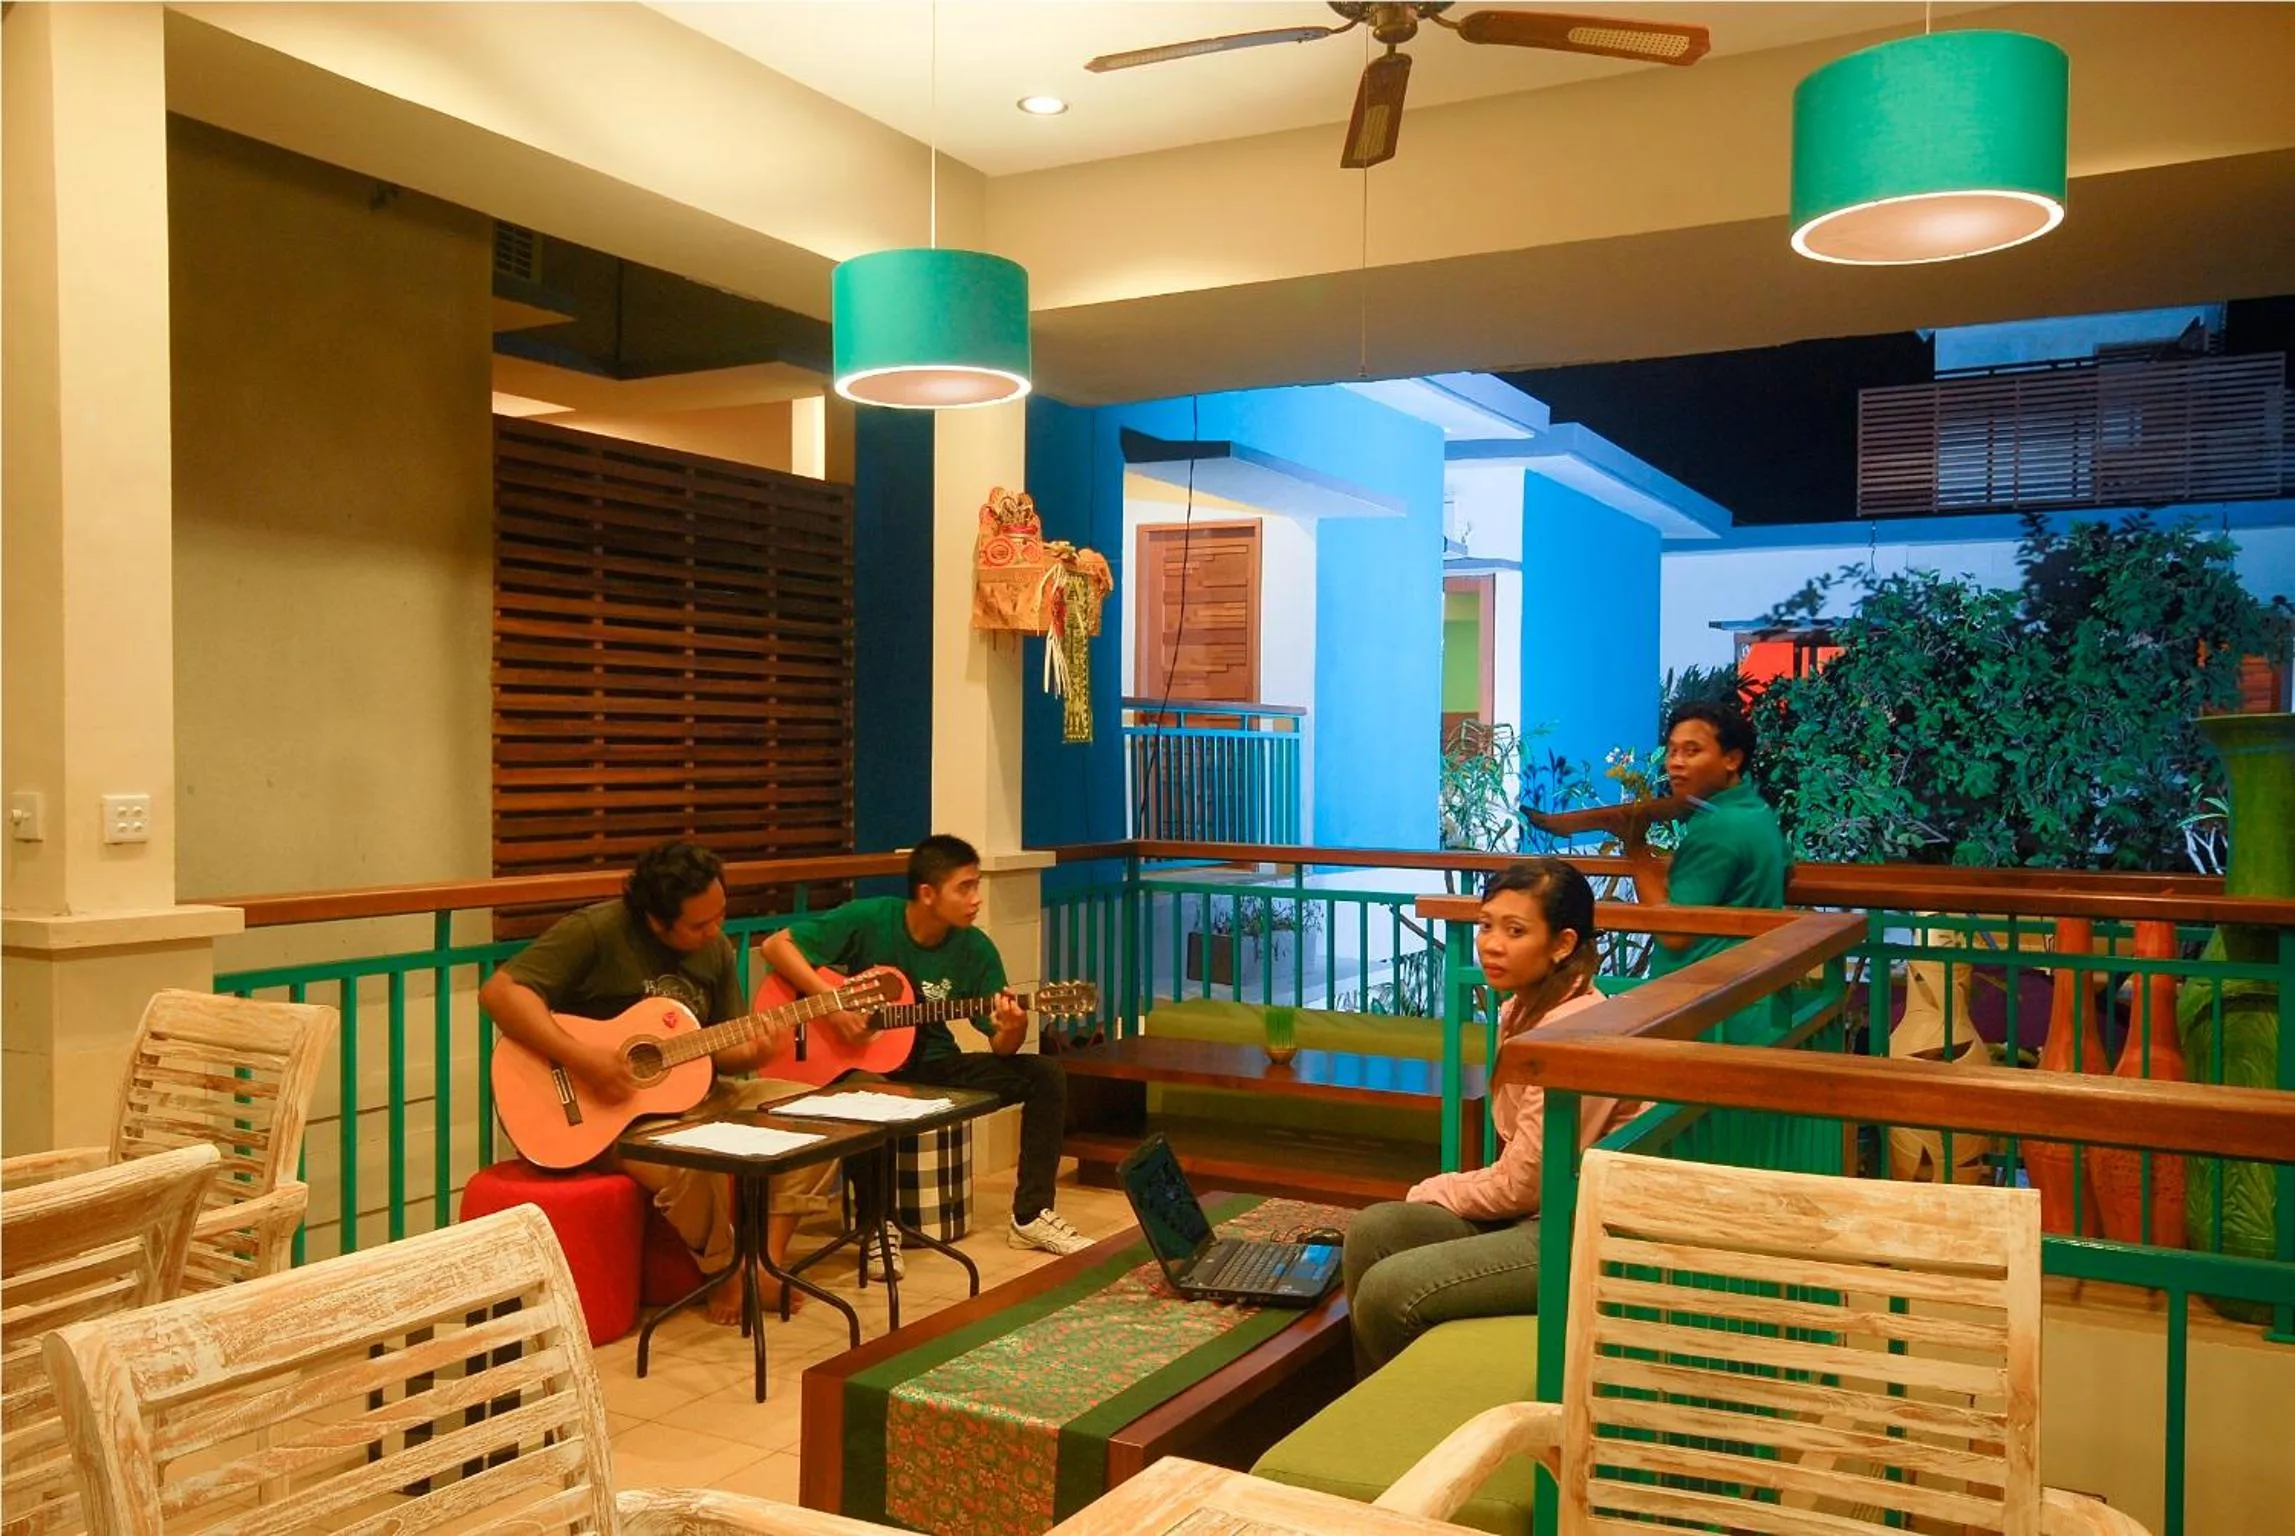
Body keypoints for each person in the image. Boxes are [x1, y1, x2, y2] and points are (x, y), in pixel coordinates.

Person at [477, 840, 833, 1325]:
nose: (715, 931)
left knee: (823, 1114)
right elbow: (501, 993)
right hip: (606, 1116)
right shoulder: (596, 931)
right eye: (698, 925)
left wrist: (755, 1051)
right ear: (654, 919)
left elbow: (720, 1051)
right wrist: (584, 1060)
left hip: (698, 1098)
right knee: (692, 1157)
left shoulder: (715, 949)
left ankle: (764, 1262)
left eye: (721, 915)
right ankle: (723, 1269)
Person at [1341, 859, 1638, 1374]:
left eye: (1515, 931)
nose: (1491, 944)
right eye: (1486, 925)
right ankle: (1369, 1401)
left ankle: (1423, 1413)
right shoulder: (1521, 1012)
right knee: (1374, 1230)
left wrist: (1435, 1188)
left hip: (1579, 1229)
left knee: (1390, 1290)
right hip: (1541, 1213)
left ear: (1562, 945)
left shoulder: (1574, 1036)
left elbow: (1525, 1185)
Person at [759, 834, 1092, 1264]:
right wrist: (834, 1003)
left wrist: (1015, 1025)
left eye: (977, 886)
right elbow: (775, 946)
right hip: (863, 1070)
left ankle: (1031, 1216)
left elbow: (1001, 1045)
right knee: (863, 1098)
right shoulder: (870, 918)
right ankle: (877, 1227)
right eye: (965, 887)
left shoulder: (975, 949)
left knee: (1044, 1073)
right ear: (928, 894)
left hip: (933, 1066)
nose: (976, 899)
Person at [1623, 700, 1789, 1044]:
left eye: (1692, 751)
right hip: (1746, 998)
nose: (1676, 763)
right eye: (1672, 751)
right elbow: (1787, 872)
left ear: (1732, 758)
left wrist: (1635, 851)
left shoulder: (1718, 827)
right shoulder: (1755, 811)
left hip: (1703, 1009)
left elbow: (1674, 932)